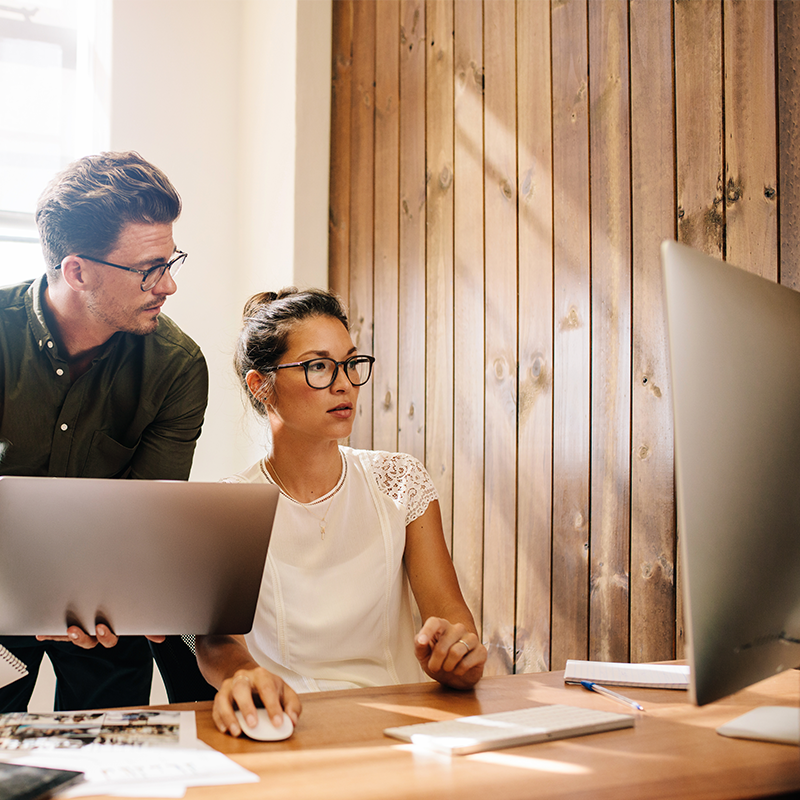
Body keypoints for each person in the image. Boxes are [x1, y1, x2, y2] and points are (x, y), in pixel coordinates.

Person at [195, 288, 487, 736]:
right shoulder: (228, 506)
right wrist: (242, 676)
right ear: (261, 386)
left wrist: (458, 654)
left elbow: (452, 617)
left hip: (401, 724)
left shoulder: (400, 480)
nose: (344, 383)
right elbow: (216, 642)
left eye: (351, 363)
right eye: (318, 366)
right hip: (284, 724)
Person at [0, 151, 211, 711]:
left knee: (116, 770)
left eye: (171, 261)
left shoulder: (177, 366)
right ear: (76, 270)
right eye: (148, 268)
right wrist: (28, 598)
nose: (168, 286)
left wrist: (108, 594)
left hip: (106, 617)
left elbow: (149, 515)